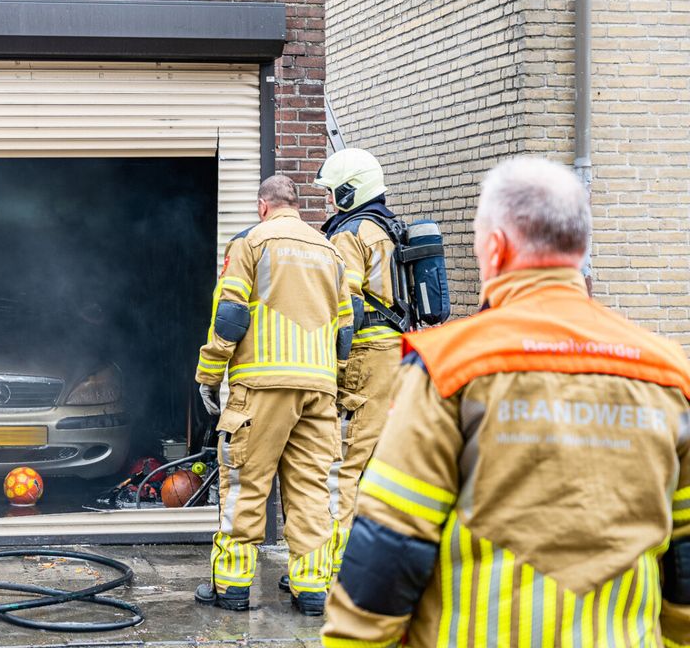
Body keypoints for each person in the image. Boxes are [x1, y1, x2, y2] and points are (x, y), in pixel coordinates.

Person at [322, 156, 690, 646]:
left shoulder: (447, 367)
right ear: (579, 248)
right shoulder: (669, 373)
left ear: (494, 248)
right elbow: (684, 562)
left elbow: (392, 543)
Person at [194, 175, 353, 615]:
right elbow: (346, 330)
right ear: (295, 206)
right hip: (318, 392)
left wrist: (209, 375)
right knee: (311, 493)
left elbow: (229, 316)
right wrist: (333, 381)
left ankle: (231, 588)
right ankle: (312, 590)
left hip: (260, 389)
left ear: (263, 206)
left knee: (246, 486)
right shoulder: (331, 251)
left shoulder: (251, 243)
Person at [313, 147, 403, 571]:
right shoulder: (385, 227)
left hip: (364, 355)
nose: (328, 201)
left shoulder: (351, 232)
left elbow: (342, 304)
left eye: (332, 193)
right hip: (390, 354)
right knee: (373, 462)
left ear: (351, 192)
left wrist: (334, 366)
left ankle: (335, 567)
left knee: (345, 464)